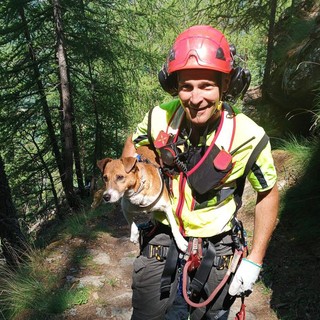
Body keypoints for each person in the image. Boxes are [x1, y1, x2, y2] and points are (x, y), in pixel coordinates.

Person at [122, 25, 279, 320]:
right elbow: (133, 143)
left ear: (225, 85)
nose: (196, 98)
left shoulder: (248, 136)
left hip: (216, 250)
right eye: (186, 86)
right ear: (175, 86)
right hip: (161, 239)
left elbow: (267, 192)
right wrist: (132, 184)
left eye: (206, 85)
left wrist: (255, 260)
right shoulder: (159, 117)